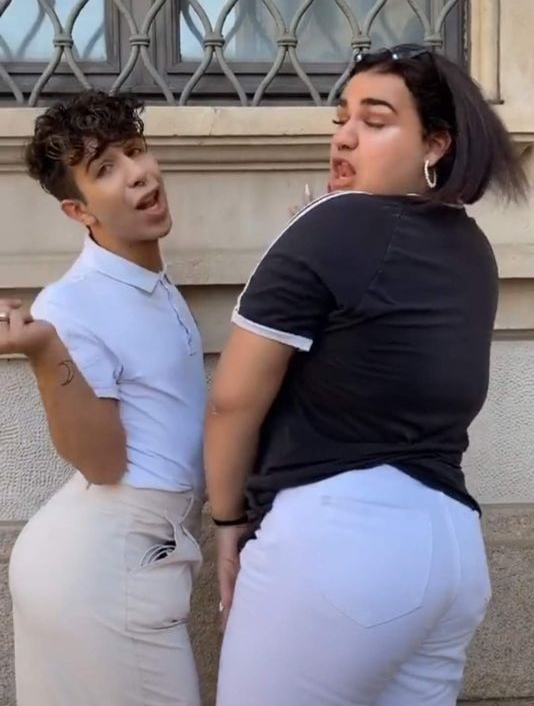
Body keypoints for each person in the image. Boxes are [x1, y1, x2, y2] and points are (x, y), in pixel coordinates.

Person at [204, 44, 529, 706]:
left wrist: (227, 522)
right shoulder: (471, 248)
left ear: (435, 144)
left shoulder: (331, 225)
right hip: (451, 552)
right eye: (342, 118)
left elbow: (232, 403)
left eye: (375, 121)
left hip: (341, 545)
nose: (345, 137)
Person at [2, 91, 206, 706]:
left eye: (136, 151)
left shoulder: (151, 281)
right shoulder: (71, 302)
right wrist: (45, 351)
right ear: (78, 209)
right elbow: (101, 462)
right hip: (103, 569)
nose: (138, 173)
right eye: (106, 169)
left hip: (137, 555)